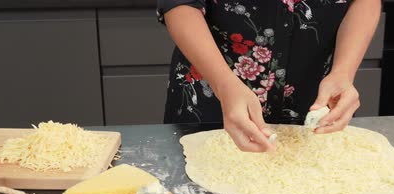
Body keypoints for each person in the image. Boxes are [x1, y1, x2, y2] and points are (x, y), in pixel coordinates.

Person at [158, 0, 381, 152]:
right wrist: (224, 85)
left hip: (313, 99)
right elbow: (179, 4)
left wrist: (343, 72)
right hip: (213, 94)